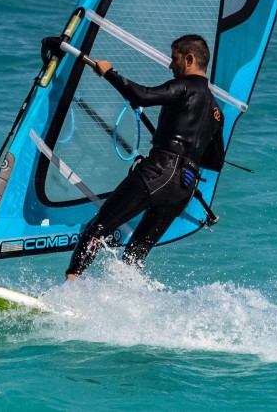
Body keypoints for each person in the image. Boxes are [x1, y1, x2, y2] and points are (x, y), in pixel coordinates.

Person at [65, 34, 225, 279]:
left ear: (190, 59)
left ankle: (70, 288)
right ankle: (127, 302)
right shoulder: (216, 112)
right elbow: (215, 161)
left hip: (160, 171)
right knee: (136, 253)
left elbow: (143, 96)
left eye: (175, 59)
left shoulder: (185, 87)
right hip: (186, 186)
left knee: (99, 226)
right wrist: (183, 149)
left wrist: (109, 73)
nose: (171, 66)